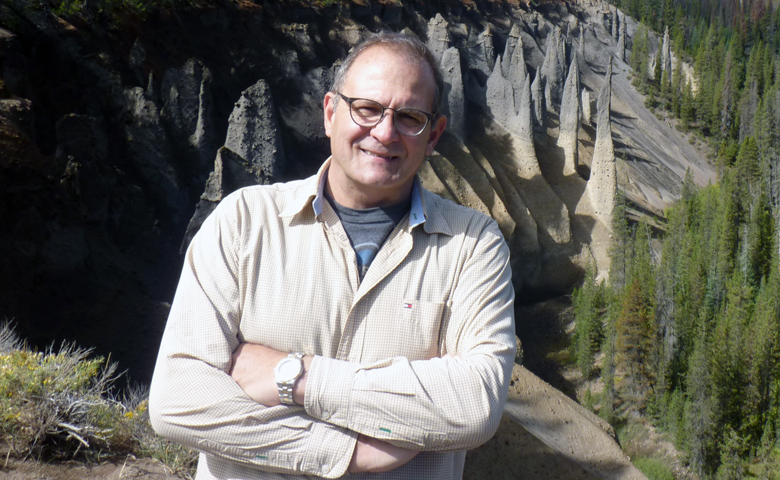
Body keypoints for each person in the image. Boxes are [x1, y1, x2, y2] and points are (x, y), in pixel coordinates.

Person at [149, 32, 516, 479]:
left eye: (410, 117)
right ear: (329, 113)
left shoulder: (472, 245)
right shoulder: (243, 222)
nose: (384, 132)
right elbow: (177, 399)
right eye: (367, 108)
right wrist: (343, 451)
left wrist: (296, 378)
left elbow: (473, 406)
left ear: (434, 134)